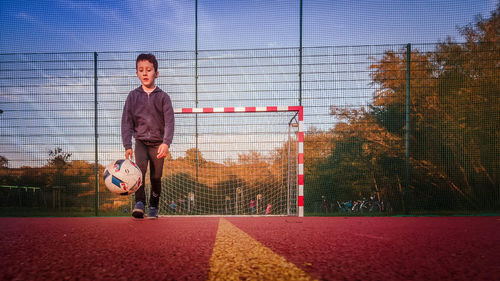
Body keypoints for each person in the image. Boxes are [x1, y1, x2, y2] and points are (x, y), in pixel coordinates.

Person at [122, 53, 175, 219]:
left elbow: (170, 122)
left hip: (158, 144)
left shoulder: (163, 97)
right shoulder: (132, 97)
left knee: (156, 177)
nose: (145, 73)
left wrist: (166, 143)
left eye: (149, 70)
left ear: (156, 73)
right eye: (141, 70)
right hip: (141, 143)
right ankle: (139, 203)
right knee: (139, 173)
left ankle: (153, 206)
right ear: (137, 73)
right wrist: (127, 145)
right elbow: (126, 122)